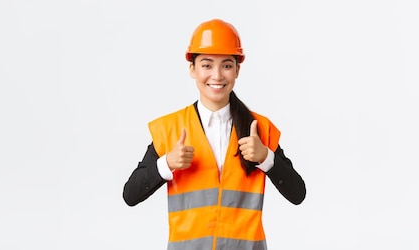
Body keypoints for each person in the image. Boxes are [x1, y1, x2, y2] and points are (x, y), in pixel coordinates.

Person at [122, 18, 306, 250]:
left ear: (237, 70)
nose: (217, 76)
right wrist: (166, 163)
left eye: (227, 65)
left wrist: (265, 158)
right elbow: (130, 195)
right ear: (192, 69)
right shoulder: (170, 129)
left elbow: (298, 193)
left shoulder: (259, 129)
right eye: (207, 65)